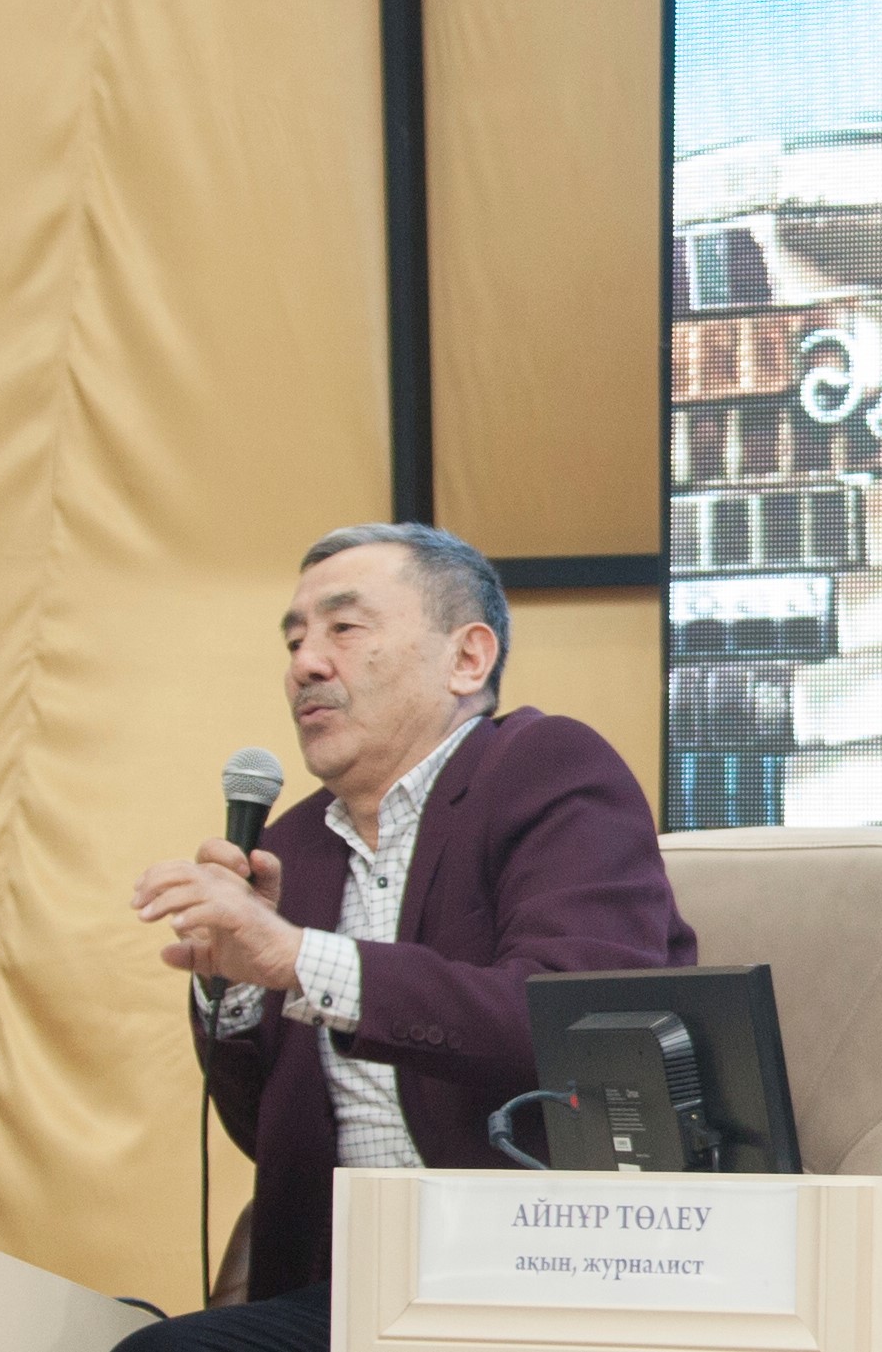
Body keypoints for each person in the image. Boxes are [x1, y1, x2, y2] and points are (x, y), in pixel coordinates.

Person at [123, 523, 690, 1352]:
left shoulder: (547, 769)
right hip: (355, 1284)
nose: (305, 663)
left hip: (549, 1265)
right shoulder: (292, 848)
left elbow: (579, 1025)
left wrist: (298, 959)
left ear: (467, 658)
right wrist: (237, 984)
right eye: (294, 637)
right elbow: (268, 1137)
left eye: (344, 628)